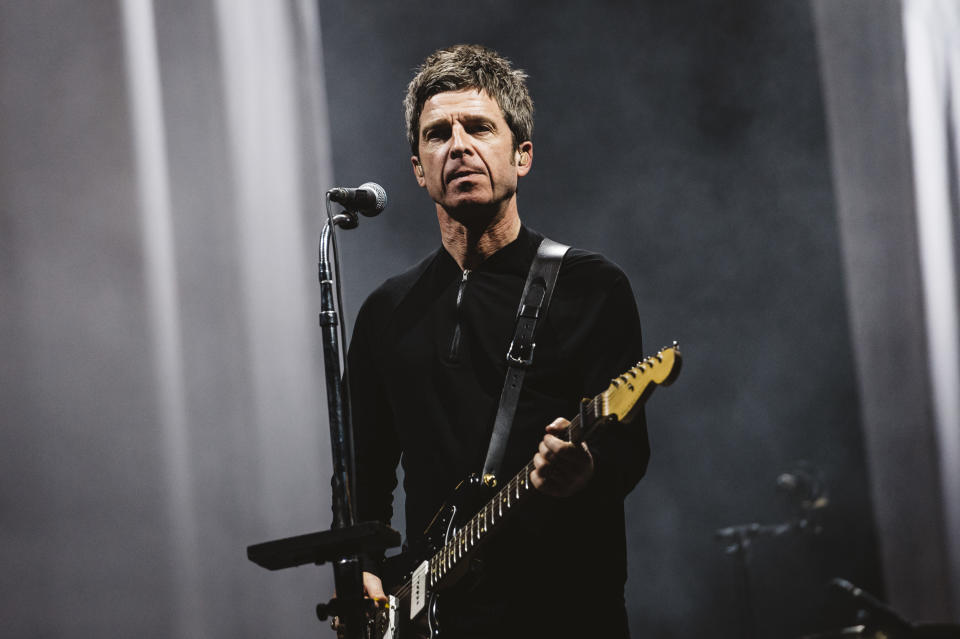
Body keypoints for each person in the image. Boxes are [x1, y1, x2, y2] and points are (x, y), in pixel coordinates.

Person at [347, 44, 650, 638]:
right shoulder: (387, 312)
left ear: (522, 156)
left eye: (479, 127)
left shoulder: (589, 286)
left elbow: (628, 451)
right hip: (436, 618)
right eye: (438, 134)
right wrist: (362, 569)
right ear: (417, 167)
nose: (458, 145)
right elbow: (366, 479)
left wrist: (585, 467)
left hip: (565, 611)